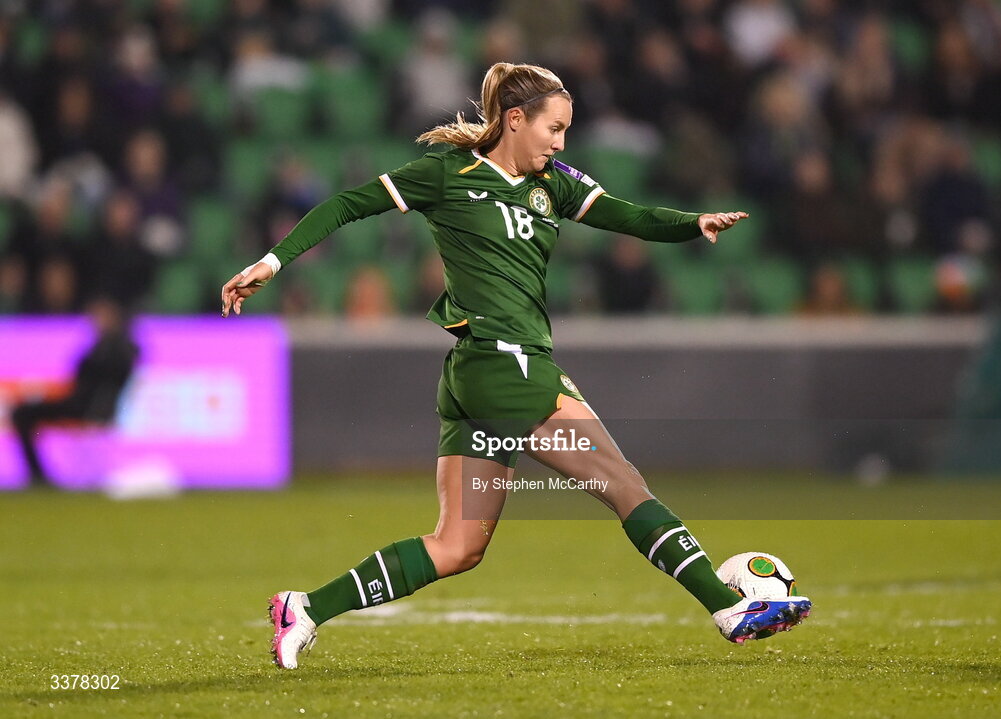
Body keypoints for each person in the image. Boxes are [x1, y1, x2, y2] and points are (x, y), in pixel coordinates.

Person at [221, 62, 812, 670]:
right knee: (623, 482)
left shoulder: (551, 182)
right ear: (514, 120)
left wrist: (694, 224)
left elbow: (627, 216)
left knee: (457, 547)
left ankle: (305, 608)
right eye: (553, 129)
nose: (560, 143)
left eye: (565, 132)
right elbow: (348, 204)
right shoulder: (448, 174)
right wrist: (273, 261)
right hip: (506, 367)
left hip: (478, 375)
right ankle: (727, 608)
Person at [12, 297, 138, 485]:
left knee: (23, 414)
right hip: (79, 403)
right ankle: (37, 473)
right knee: (23, 412)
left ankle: (37, 474)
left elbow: (102, 378)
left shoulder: (117, 348)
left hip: (86, 408)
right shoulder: (104, 345)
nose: (96, 320)